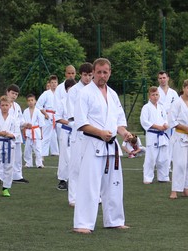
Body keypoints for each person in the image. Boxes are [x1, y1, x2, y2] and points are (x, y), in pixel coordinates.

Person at [73, 58, 133, 233]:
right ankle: (83, 224)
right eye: (98, 72)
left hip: (111, 146)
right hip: (92, 144)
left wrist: (125, 133)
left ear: (110, 73)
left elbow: (118, 122)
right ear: (93, 73)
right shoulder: (85, 93)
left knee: (114, 185)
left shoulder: (113, 94)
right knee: (89, 186)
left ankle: (114, 220)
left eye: (105, 72)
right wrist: (100, 133)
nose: (102, 75)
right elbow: (81, 123)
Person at [66, 63, 93, 206]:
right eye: (85, 75)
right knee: (76, 166)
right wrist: (83, 125)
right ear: (80, 75)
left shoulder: (95, 90)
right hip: (79, 132)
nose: (87, 78)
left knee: (92, 167)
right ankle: (73, 197)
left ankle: (92, 196)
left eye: (90, 75)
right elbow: (71, 115)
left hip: (94, 133)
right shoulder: (74, 91)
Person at [140, 86, 170, 184]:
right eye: (153, 95)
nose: (155, 97)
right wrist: (157, 127)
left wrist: (165, 124)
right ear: (149, 96)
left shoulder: (161, 107)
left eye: (157, 94)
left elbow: (165, 119)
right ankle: (148, 178)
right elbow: (144, 121)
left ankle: (163, 177)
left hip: (162, 134)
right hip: (152, 134)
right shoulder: (146, 107)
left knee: (163, 157)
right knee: (151, 157)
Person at [55, 78, 77, 190]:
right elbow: (57, 118)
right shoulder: (62, 102)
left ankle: (76, 180)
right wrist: (69, 123)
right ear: (66, 90)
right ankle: (63, 180)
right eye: (70, 89)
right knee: (65, 156)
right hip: (66, 131)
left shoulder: (79, 100)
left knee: (77, 156)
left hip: (78, 132)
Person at [6, 86, 28, 184]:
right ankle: (0, 176)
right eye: (12, 93)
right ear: (7, 92)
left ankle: (17, 176)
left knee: (18, 157)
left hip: (17, 135)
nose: (14, 96)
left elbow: (21, 120)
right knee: (5, 157)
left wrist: (25, 124)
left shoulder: (17, 106)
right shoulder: (1, 105)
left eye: (16, 94)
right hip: (6, 135)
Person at [37, 75, 59, 156]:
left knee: (54, 135)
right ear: (49, 83)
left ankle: (55, 151)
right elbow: (39, 105)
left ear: (57, 83)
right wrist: (45, 114)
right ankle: (42, 152)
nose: (54, 84)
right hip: (48, 115)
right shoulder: (46, 93)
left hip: (57, 115)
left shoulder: (59, 93)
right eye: (52, 82)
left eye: (55, 82)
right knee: (46, 134)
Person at [22, 93, 44, 168]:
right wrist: (24, 132)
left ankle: (39, 163)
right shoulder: (25, 111)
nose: (30, 102)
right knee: (27, 149)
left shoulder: (38, 111)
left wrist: (41, 134)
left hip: (36, 131)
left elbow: (41, 124)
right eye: (29, 100)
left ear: (35, 101)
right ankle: (28, 163)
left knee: (38, 148)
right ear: (27, 102)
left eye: (32, 100)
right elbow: (23, 123)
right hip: (28, 132)